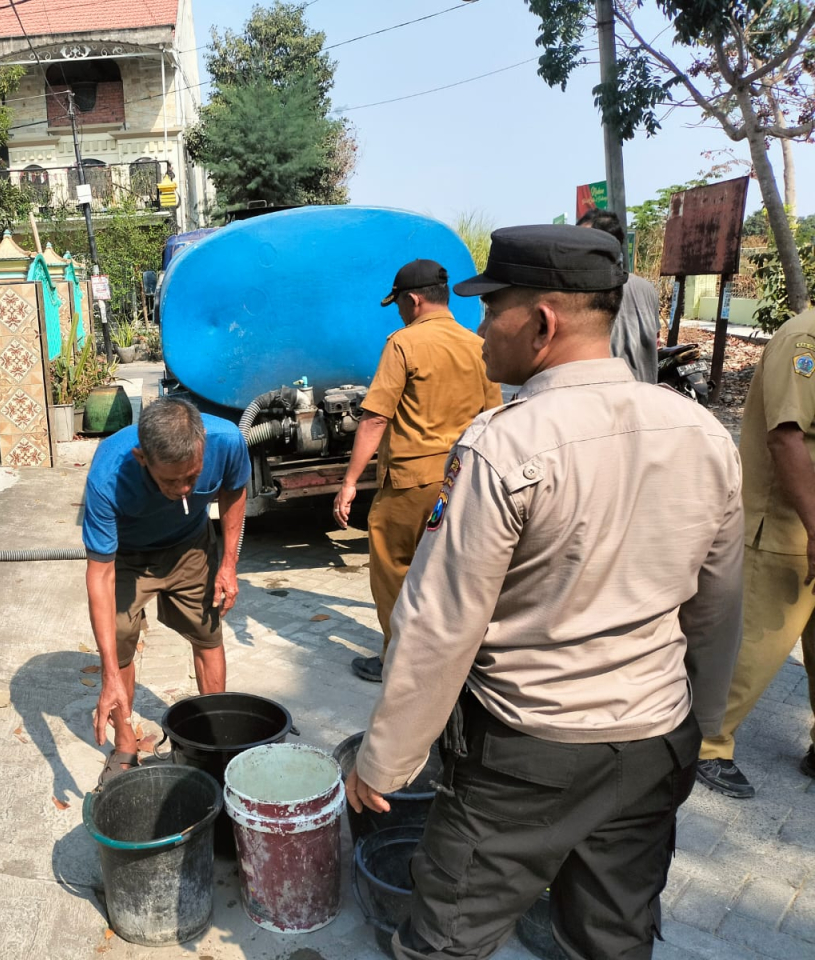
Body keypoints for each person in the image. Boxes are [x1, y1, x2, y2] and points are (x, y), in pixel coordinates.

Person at [346, 225, 742, 960]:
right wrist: (704, 724)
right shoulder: (703, 434)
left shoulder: (503, 446)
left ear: (542, 320)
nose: (481, 325)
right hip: (654, 744)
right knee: (613, 937)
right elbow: (718, 606)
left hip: (527, 754)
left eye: (492, 306)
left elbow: (440, 625)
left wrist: (385, 759)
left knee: (447, 937)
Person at [333, 259, 501, 683]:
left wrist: (350, 482)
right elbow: (494, 416)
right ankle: (455, 659)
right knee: (453, 572)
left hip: (409, 484)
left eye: (400, 306)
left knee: (394, 569)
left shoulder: (404, 344)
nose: (400, 314)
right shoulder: (476, 344)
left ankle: (398, 661)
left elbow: (374, 419)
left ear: (413, 300)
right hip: (462, 479)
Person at [83, 397, 248, 783]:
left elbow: (234, 491)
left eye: (192, 476)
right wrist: (107, 672)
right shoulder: (108, 474)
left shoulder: (226, 440)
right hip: (127, 553)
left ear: (203, 446)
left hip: (190, 546)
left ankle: (212, 741)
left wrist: (228, 563)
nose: (185, 489)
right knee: (119, 637)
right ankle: (124, 744)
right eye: (170, 480)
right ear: (142, 458)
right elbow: (100, 575)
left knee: (208, 631)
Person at [696, 305, 815, 798]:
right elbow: (786, 438)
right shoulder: (805, 339)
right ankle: (705, 744)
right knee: (752, 648)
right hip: (787, 529)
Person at [577, 208, 660, 383]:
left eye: (582, 242)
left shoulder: (584, 288)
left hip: (604, 397)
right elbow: (656, 340)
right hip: (642, 394)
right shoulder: (647, 288)